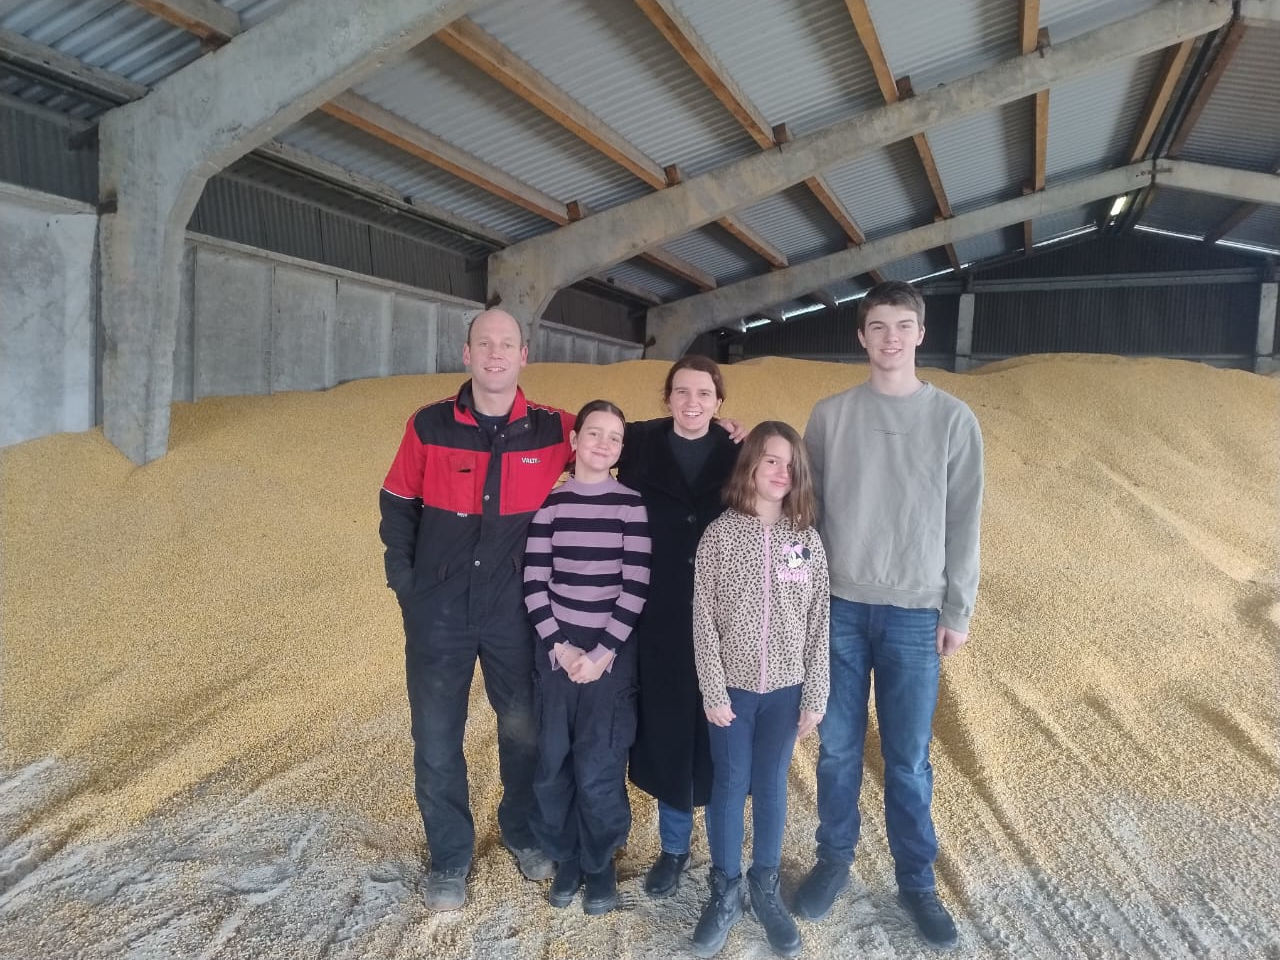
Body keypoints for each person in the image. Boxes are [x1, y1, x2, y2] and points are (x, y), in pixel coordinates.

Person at [795, 281, 984, 950]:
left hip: (914, 613)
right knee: (838, 750)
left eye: (903, 325)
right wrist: (800, 603)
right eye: (878, 326)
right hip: (840, 607)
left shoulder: (953, 420)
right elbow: (804, 512)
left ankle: (916, 879)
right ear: (862, 336)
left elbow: (965, 519)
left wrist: (957, 607)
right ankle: (833, 860)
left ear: (921, 334)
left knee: (906, 758)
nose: (891, 338)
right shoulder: (830, 416)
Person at [378, 308, 570, 911]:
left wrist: (713, 424)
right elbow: (396, 502)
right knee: (437, 737)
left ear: (524, 356)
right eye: (484, 343)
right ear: (466, 353)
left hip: (516, 610)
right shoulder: (429, 424)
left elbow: (619, 436)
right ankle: (450, 856)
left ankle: (523, 831)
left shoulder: (554, 429)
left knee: (524, 729)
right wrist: (407, 583)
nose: (495, 353)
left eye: (506, 344)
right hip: (439, 613)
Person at [688, 422, 830, 959]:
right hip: (732, 692)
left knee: (771, 785)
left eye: (790, 464)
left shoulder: (805, 540)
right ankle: (725, 889)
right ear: (750, 464)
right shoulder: (720, 536)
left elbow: (819, 619)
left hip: (786, 692)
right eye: (771, 460)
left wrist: (815, 693)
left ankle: (765, 886)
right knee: (729, 785)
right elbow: (703, 618)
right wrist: (713, 689)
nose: (780, 472)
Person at [617, 356, 742, 899]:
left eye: (704, 394)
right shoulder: (639, 441)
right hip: (658, 610)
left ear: (719, 402)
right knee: (668, 729)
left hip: (725, 612)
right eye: (682, 392)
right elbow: (584, 433)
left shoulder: (739, 452)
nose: (693, 403)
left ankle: (724, 853)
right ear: (666, 397)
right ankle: (673, 848)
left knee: (720, 731)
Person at [522, 400, 651, 915]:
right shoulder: (549, 504)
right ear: (574, 442)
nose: (603, 444)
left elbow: (635, 586)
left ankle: (599, 863)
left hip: (610, 654)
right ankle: (566, 857)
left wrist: (601, 653)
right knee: (553, 759)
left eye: (614, 437)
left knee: (600, 763)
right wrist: (559, 644)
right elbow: (535, 580)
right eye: (593, 433)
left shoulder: (630, 506)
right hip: (556, 649)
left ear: (621, 450)